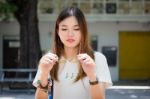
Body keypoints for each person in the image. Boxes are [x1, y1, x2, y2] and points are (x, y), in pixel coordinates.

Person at [33, 6, 112, 99]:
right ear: (57, 31)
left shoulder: (98, 58)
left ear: (83, 31)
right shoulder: (49, 59)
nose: (70, 34)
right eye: (64, 29)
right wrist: (44, 74)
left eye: (76, 29)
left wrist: (92, 75)